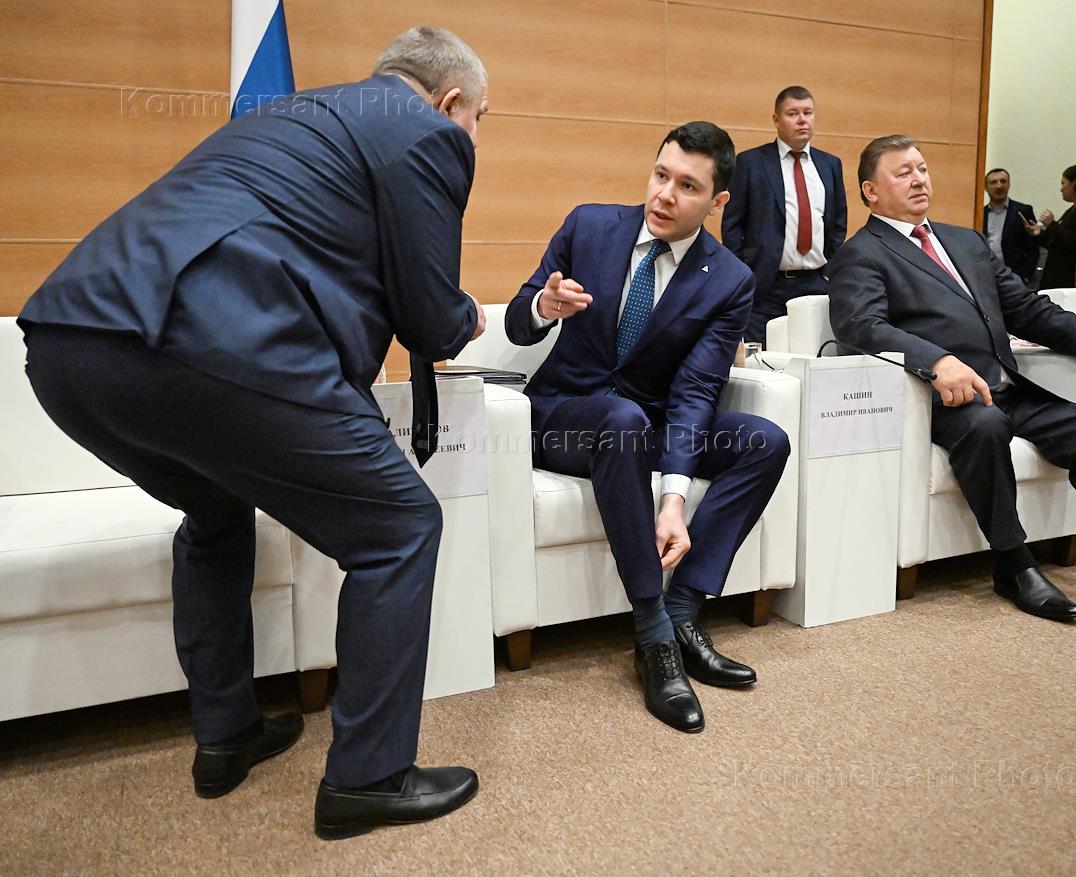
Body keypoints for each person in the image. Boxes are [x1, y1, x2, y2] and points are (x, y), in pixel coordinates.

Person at [19, 26, 492, 840]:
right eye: (482, 119)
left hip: (70, 342)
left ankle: (227, 733)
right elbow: (427, 316)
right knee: (399, 526)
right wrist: (469, 315)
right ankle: (369, 776)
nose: (476, 135)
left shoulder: (289, 115)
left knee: (214, 510)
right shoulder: (426, 133)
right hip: (206, 336)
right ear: (451, 102)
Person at [828, 135, 1076, 632]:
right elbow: (861, 326)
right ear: (870, 191)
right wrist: (936, 360)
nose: (919, 180)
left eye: (922, 168)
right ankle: (1014, 564)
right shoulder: (861, 254)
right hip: (940, 401)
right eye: (903, 173)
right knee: (985, 426)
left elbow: (1025, 308)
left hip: (1007, 389)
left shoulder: (964, 241)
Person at [505, 122, 791, 733]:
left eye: (688, 186)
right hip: (562, 418)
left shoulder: (729, 279)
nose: (664, 195)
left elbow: (696, 390)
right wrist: (543, 307)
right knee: (622, 418)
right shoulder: (588, 226)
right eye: (661, 175)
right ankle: (652, 633)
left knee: (764, 442)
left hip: (648, 424)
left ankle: (683, 610)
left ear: (717, 202)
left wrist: (674, 498)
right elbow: (517, 325)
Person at [722, 86, 847, 344]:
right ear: (776, 120)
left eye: (807, 113)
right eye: (793, 113)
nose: (802, 120)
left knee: (813, 354)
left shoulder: (830, 165)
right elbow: (732, 225)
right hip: (765, 285)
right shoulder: (750, 163)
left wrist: (829, 272)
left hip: (815, 283)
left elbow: (838, 222)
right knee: (764, 358)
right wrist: (744, 274)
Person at [981, 168, 1039, 285]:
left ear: (1009, 184)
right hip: (985, 275)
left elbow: (1033, 248)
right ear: (986, 188)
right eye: (993, 182)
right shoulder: (980, 214)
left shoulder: (1023, 211)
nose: (999, 186)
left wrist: (1026, 276)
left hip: (1014, 277)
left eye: (1003, 181)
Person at [1032, 163, 1076, 289]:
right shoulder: (1072, 210)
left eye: (1063, 183)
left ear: (1075, 182)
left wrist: (1052, 224)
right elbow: (1056, 243)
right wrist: (1040, 234)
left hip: (1067, 278)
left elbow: (1073, 242)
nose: (1061, 189)